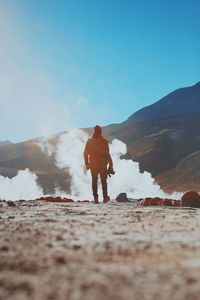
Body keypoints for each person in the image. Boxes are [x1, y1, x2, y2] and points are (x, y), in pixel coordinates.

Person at [84, 125, 114, 204]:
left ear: (94, 131)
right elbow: (107, 154)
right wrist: (110, 165)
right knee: (103, 181)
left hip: (93, 164)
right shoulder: (104, 141)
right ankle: (105, 198)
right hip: (102, 164)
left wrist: (87, 164)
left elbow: (85, 153)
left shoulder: (89, 141)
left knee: (94, 181)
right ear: (101, 131)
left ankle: (96, 199)